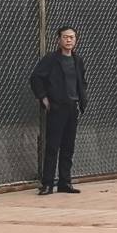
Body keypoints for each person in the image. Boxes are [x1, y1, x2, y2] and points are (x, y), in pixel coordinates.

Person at [30, 26, 87, 195]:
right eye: (65, 37)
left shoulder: (78, 60)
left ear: (76, 40)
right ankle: (47, 184)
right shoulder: (51, 59)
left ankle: (64, 182)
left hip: (72, 107)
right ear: (59, 40)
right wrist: (43, 98)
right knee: (53, 146)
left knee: (68, 146)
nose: (69, 40)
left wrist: (82, 97)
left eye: (72, 37)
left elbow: (82, 81)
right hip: (57, 108)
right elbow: (35, 78)